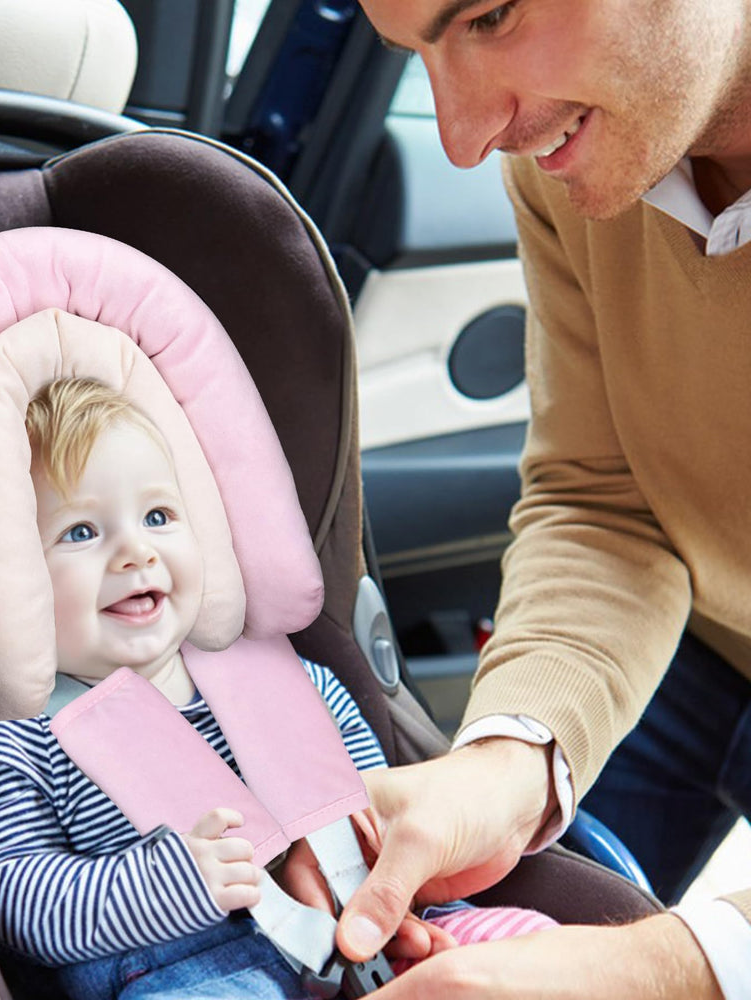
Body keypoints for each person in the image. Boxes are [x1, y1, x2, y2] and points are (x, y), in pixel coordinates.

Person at [308, 1, 751, 997]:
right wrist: (504, 764)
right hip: (689, 646)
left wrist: (673, 968)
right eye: (415, 51)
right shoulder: (576, 158)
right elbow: (605, 496)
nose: (464, 136)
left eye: (490, 16)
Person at [0, 377, 558, 999]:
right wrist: (158, 885)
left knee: (531, 946)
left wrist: (371, 873)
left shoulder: (288, 682)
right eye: (82, 531)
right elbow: (5, 893)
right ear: (15, 576)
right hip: (193, 973)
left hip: (360, 931)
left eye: (158, 516)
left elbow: (373, 803)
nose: (136, 551)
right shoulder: (23, 738)